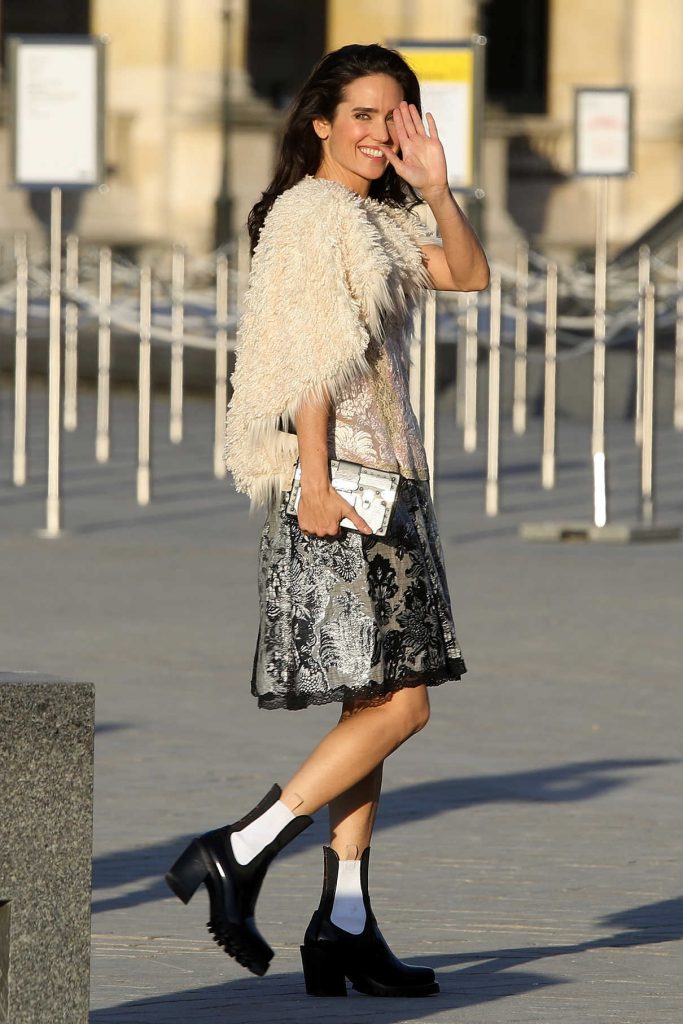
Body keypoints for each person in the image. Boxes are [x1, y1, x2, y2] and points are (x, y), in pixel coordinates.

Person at [166, 43, 489, 999]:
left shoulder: (371, 217)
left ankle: (343, 921)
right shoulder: (312, 214)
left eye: (396, 117)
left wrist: (438, 186)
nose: (381, 132)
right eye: (362, 115)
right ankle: (239, 847)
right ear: (319, 121)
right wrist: (313, 481)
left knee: (371, 705)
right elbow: (310, 357)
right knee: (405, 702)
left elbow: (467, 275)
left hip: (388, 479)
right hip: (343, 485)